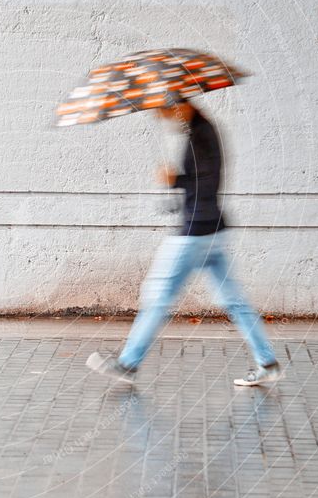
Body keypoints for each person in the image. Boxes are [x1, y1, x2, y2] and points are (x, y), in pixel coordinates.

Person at [86, 97, 283, 387]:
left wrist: (173, 180)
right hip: (214, 230)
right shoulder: (202, 130)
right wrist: (177, 180)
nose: (163, 118)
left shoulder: (199, 137)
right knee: (234, 301)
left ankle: (128, 363)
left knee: (156, 295)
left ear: (180, 105)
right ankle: (267, 362)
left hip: (195, 233)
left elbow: (204, 184)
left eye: (164, 111)